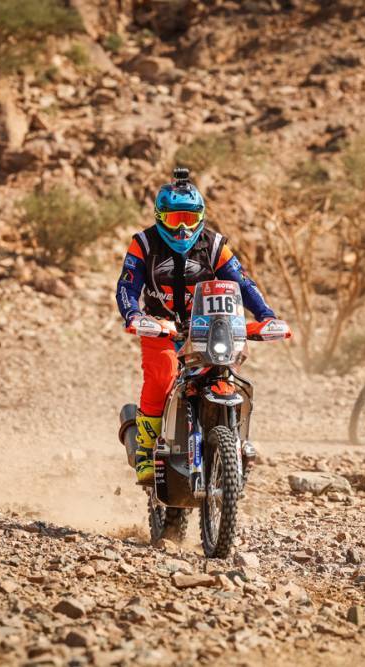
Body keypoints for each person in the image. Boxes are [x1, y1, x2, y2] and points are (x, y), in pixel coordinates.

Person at [116, 168, 279, 484]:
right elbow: (127, 285)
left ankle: (234, 444)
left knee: (227, 373)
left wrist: (266, 315)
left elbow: (243, 283)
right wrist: (133, 315)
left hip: (208, 326)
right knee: (162, 374)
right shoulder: (144, 244)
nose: (182, 228)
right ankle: (146, 451)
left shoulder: (215, 245)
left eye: (189, 219)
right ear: (160, 217)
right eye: (175, 218)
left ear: (200, 217)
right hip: (160, 326)